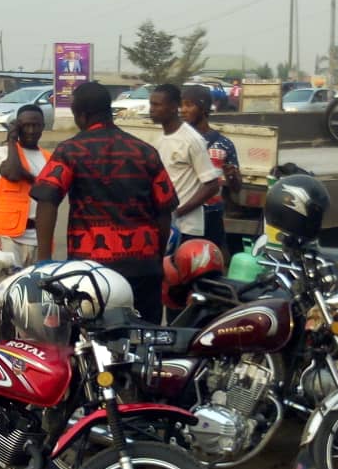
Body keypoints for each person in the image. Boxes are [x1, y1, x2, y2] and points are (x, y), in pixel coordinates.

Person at [31, 81, 178, 323]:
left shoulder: (71, 150)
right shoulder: (145, 151)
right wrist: (156, 258)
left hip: (91, 273)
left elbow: (47, 200)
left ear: (82, 115)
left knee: (91, 348)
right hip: (143, 269)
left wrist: (44, 263)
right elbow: (164, 211)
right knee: (146, 341)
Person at [149, 84, 220, 245]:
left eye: (157, 105)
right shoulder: (160, 139)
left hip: (186, 230)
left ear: (174, 107)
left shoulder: (192, 140)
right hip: (165, 226)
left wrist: (177, 213)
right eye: (151, 104)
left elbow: (212, 185)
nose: (151, 109)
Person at [180, 85, 241, 257]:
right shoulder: (178, 141)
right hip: (185, 216)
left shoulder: (224, 144)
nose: (183, 110)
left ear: (204, 107)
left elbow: (237, 188)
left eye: (189, 105)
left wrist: (233, 177)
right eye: (182, 105)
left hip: (212, 216)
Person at [0, 104, 51, 268]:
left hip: (40, 236)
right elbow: (13, 172)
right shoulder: (3, 152)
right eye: (25, 125)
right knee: (8, 289)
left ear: (43, 127)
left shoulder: (48, 158)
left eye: (36, 125)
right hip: (10, 236)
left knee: (36, 291)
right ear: (17, 126)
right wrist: (12, 139)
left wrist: (31, 179)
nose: (31, 130)